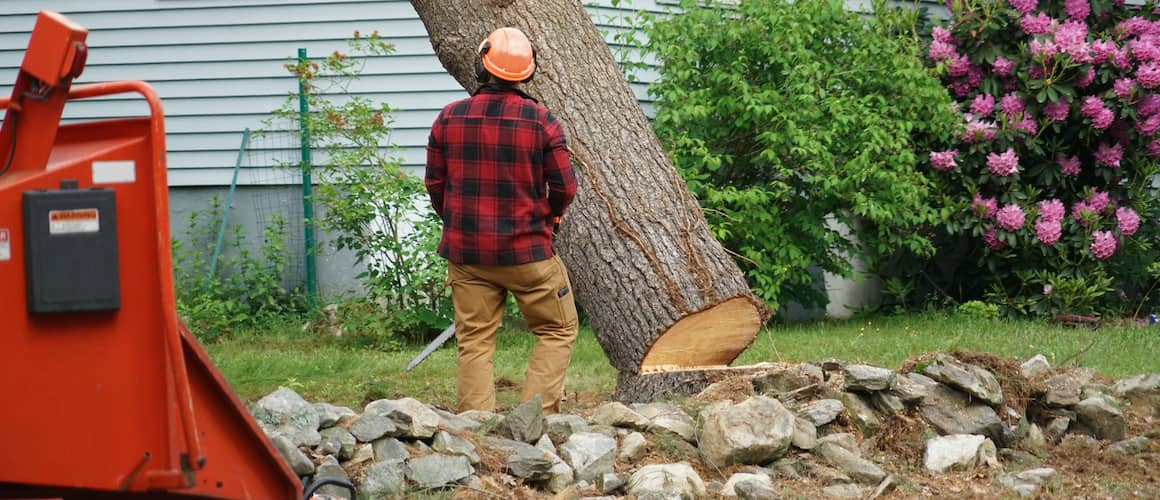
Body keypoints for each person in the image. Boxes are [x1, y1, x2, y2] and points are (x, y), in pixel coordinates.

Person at [424, 27, 579, 415]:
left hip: (467, 254)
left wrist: (459, 223)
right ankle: (535, 422)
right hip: (528, 254)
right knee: (557, 329)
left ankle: (473, 432)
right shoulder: (541, 121)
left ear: (482, 66)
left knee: (474, 341)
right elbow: (565, 187)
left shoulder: (449, 118)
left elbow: (435, 184)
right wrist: (551, 219)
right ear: (527, 72)